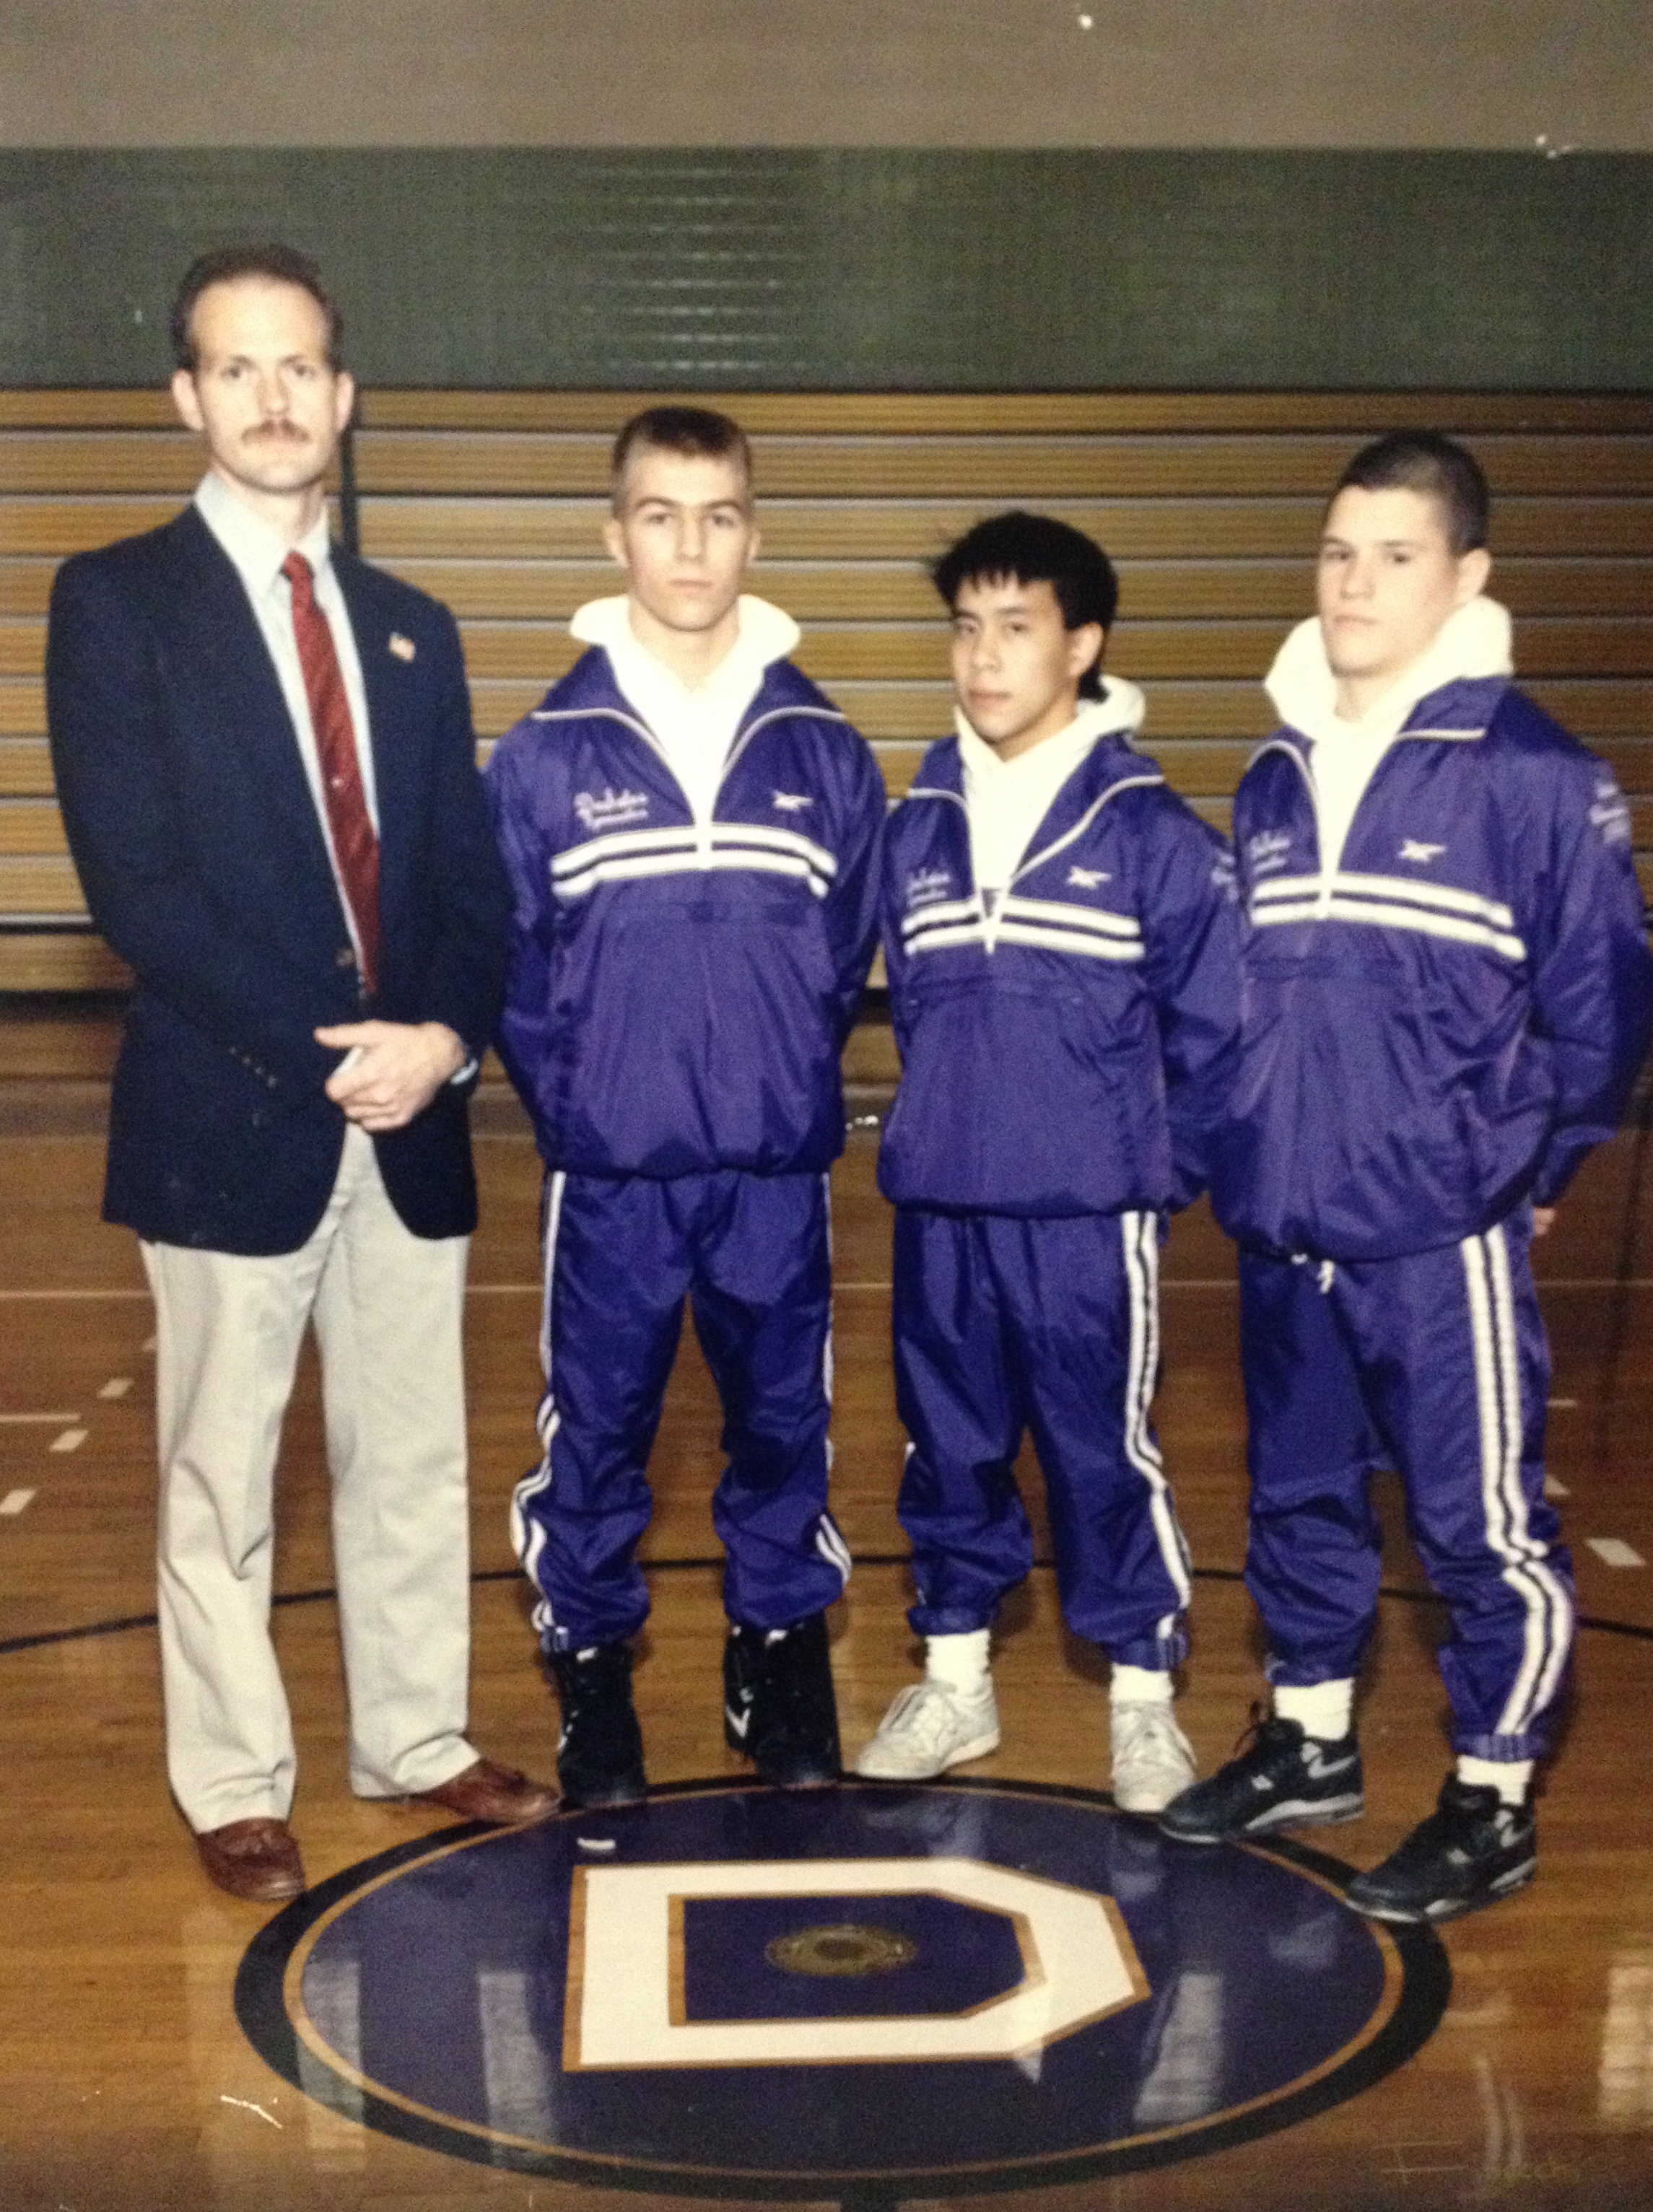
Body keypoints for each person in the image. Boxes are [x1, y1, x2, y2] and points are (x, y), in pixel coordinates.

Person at [45, 245, 554, 1905]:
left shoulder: (410, 629)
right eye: (236, 368)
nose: (275, 399)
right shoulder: (113, 601)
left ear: (342, 395)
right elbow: (140, 891)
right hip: (230, 1114)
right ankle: (234, 1778)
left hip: (409, 1117)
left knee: (410, 1453)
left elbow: (470, 890)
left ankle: (412, 1739)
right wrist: (336, 1052)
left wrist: (444, 1040)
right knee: (220, 1468)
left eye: (302, 368)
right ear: (187, 398)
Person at [1159, 432, 1653, 1921]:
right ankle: (1309, 1741)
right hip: (1283, 1224)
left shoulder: (1534, 777)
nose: (1353, 582)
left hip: (1438, 1237)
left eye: (1392, 555)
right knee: (1300, 1501)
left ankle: (1490, 1797)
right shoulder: (1272, 770)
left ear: (1465, 578)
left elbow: (1604, 1006)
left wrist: (1533, 1160)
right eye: (1335, 552)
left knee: (1472, 1524)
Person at [484, 406, 884, 1806]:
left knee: (783, 1425)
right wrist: (592, 1097)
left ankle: (772, 1649)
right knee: (596, 1432)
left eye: (717, 516)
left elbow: (841, 963)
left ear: (753, 535)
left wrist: (768, 1076)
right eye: (660, 514)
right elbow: (512, 965)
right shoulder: (541, 756)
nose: (690, 544)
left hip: (773, 1172)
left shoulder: (823, 751)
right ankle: (592, 1678)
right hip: (615, 1177)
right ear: (615, 535)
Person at [853, 510, 1239, 1811]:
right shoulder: (918, 825)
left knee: (1099, 1454)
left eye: (1014, 628)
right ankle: (956, 1681)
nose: (981, 657)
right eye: (964, 628)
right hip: (942, 1207)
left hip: (1087, 1219)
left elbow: (1216, 1033)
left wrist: (1141, 1164)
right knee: (947, 1450)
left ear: (1082, 644)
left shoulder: (1154, 835)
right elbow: (912, 1014)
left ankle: (1140, 1697)